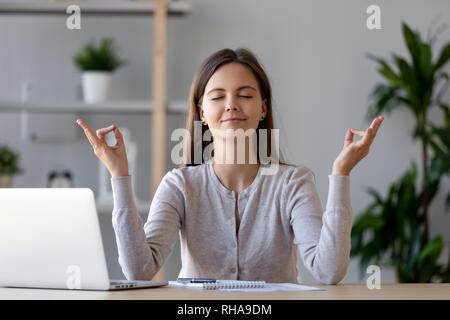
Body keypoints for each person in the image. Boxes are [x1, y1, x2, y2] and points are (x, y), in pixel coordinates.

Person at [76, 48, 383, 285]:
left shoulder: (293, 182)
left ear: (263, 108)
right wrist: (119, 176)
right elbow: (140, 271)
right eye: (218, 96)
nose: (231, 105)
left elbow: (328, 271)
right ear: (202, 112)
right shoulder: (180, 185)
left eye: (245, 95)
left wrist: (341, 174)